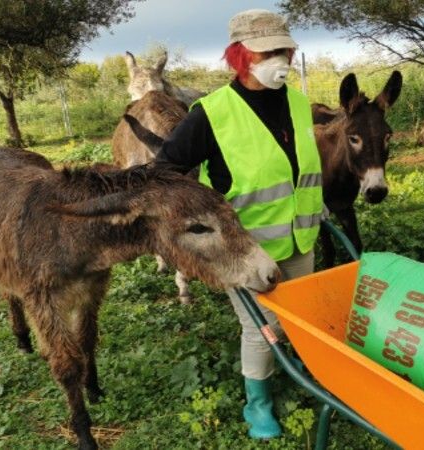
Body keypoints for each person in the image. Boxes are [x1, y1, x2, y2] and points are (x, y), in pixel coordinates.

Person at [155, 9, 323, 439]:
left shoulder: (301, 105)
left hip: (300, 236)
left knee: (299, 315)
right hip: (243, 248)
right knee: (262, 326)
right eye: (265, 51)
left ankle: (298, 372)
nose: (277, 58)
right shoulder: (210, 114)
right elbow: (165, 173)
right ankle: (258, 405)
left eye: (282, 49)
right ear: (239, 55)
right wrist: (196, 223)